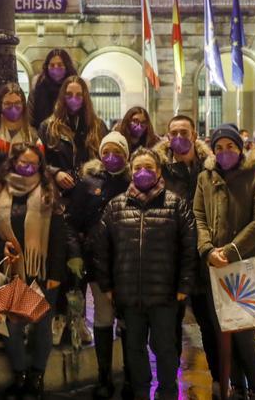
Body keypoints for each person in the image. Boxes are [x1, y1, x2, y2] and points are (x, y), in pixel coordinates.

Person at [96, 147, 195, 400]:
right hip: (129, 295)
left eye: (149, 168)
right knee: (134, 349)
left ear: (158, 171)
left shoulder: (175, 205)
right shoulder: (115, 206)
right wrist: (107, 286)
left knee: (166, 349)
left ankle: (168, 392)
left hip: (164, 295)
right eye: (138, 167)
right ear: (130, 171)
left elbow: (188, 247)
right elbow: (103, 249)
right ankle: (141, 392)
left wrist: (184, 285)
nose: (143, 172)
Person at [194, 124, 255, 399]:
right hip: (215, 268)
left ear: (240, 149)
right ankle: (237, 385)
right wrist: (206, 248)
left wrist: (229, 251)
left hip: (247, 268)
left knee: (243, 333)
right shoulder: (206, 177)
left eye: (230, 147)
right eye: (219, 147)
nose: (225, 152)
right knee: (223, 331)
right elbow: (199, 216)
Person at [0, 142, 69, 399]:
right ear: (13, 162)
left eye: (33, 163)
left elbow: (59, 236)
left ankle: (37, 376)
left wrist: (56, 275)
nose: (27, 167)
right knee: (12, 328)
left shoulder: (47, 190)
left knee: (41, 326)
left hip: (42, 271)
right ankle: (20, 374)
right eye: (23, 162)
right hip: (13, 271)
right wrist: (2, 248)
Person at [153, 114, 221, 387]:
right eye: (174, 132)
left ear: (194, 134)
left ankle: (219, 379)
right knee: (170, 327)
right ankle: (168, 384)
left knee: (210, 323)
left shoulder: (210, 166)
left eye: (184, 131)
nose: (179, 137)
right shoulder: (159, 167)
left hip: (204, 255)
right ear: (167, 137)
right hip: (173, 257)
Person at [70, 132, 134, 399]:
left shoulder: (133, 181)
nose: (112, 157)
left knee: (129, 321)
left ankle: (131, 376)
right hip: (98, 262)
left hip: (130, 263)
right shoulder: (88, 183)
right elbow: (73, 221)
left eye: (118, 152)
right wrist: (76, 253)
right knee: (103, 317)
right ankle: (104, 376)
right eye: (107, 151)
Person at [38, 74, 107, 197]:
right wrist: (55, 173)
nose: (74, 99)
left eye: (79, 95)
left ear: (85, 97)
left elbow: (105, 160)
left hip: (90, 194)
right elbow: (39, 161)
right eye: (69, 94)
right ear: (62, 97)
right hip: (59, 194)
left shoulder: (98, 126)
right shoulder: (47, 127)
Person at [28, 48, 78, 129]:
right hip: (41, 138)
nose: (56, 68)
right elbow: (29, 121)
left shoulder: (75, 89)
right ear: (46, 67)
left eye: (60, 65)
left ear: (67, 66)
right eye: (52, 65)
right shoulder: (37, 89)